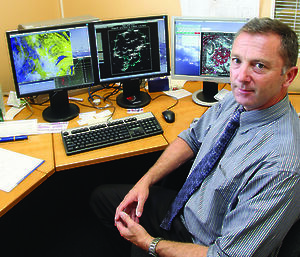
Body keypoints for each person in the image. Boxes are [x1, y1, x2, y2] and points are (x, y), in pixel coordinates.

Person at [90, 17, 300, 257]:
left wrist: (149, 243)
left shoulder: (281, 166)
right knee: (101, 200)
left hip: (204, 244)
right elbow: (192, 137)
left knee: (134, 244)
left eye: (259, 66)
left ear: (288, 76)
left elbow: (224, 255)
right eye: (236, 61)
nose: (241, 76)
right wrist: (145, 181)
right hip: (187, 209)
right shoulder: (240, 99)